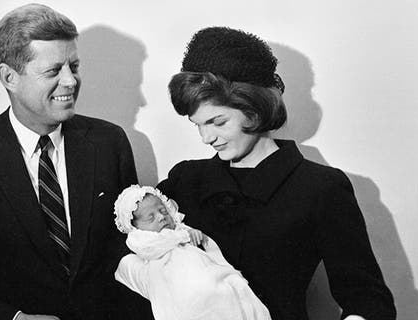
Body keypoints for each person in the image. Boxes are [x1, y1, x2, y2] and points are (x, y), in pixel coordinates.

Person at [0, 4, 151, 320]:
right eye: (53, 71)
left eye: (73, 67)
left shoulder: (109, 143)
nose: (71, 81)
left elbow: (131, 253)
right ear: (9, 77)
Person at [157, 27, 396, 320]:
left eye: (218, 122)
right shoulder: (185, 180)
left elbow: (367, 298)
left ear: (254, 111)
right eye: (198, 125)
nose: (207, 138)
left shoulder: (320, 188)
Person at [113, 185, 272, 320]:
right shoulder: (142, 240)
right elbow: (154, 247)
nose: (161, 217)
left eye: (163, 211)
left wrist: (192, 233)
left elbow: (201, 243)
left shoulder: (179, 229)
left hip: (203, 271)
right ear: (135, 228)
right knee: (194, 301)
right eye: (150, 218)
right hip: (175, 280)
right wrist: (181, 236)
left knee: (224, 292)